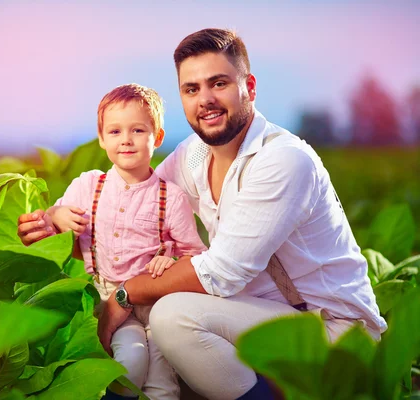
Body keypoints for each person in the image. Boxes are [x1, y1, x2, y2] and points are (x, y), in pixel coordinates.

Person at [19, 29, 387, 400]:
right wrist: (54, 217)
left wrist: (123, 294)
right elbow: (130, 204)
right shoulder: (194, 154)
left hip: (331, 333)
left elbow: (221, 272)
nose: (205, 100)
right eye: (191, 89)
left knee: (172, 315)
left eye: (219, 83)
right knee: (165, 321)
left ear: (250, 87)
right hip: (256, 318)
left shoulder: (283, 160)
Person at [20, 83, 207, 400]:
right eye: (116, 131)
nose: (126, 140)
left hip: (161, 302)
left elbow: (197, 256)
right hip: (110, 300)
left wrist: (172, 261)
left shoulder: (170, 196)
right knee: (131, 363)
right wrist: (56, 216)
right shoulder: (89, 185)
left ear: (157, 137)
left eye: (138, 130)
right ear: (102, 137)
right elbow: (49, 225)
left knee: (163, 382)